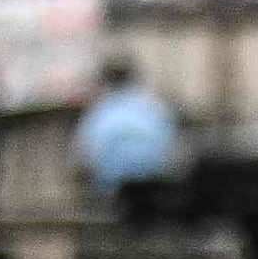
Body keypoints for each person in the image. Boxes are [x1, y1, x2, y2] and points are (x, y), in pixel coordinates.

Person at [73, 54, 186, 212]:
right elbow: (174, 152)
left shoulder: (98, 111)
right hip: (154, 189)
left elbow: (84, 158)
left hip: (111, 191)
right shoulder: (154, 106)